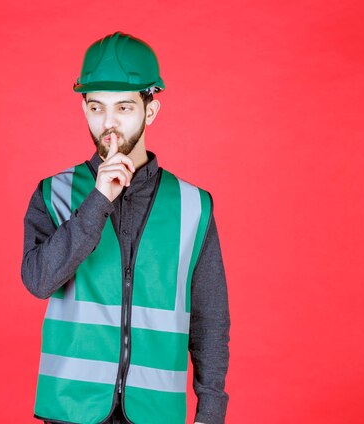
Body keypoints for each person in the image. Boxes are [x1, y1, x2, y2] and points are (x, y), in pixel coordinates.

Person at [21, 31, 230, 424]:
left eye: (124, 108)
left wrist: (211, 412)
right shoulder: (55, 193)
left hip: (155, 412)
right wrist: (98, 200)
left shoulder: (192, 206)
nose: (108, 123)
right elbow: (37, 280)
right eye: (96, 107)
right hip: (70, 410)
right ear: (83, 107)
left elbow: (210, 320)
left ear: (150, 111)